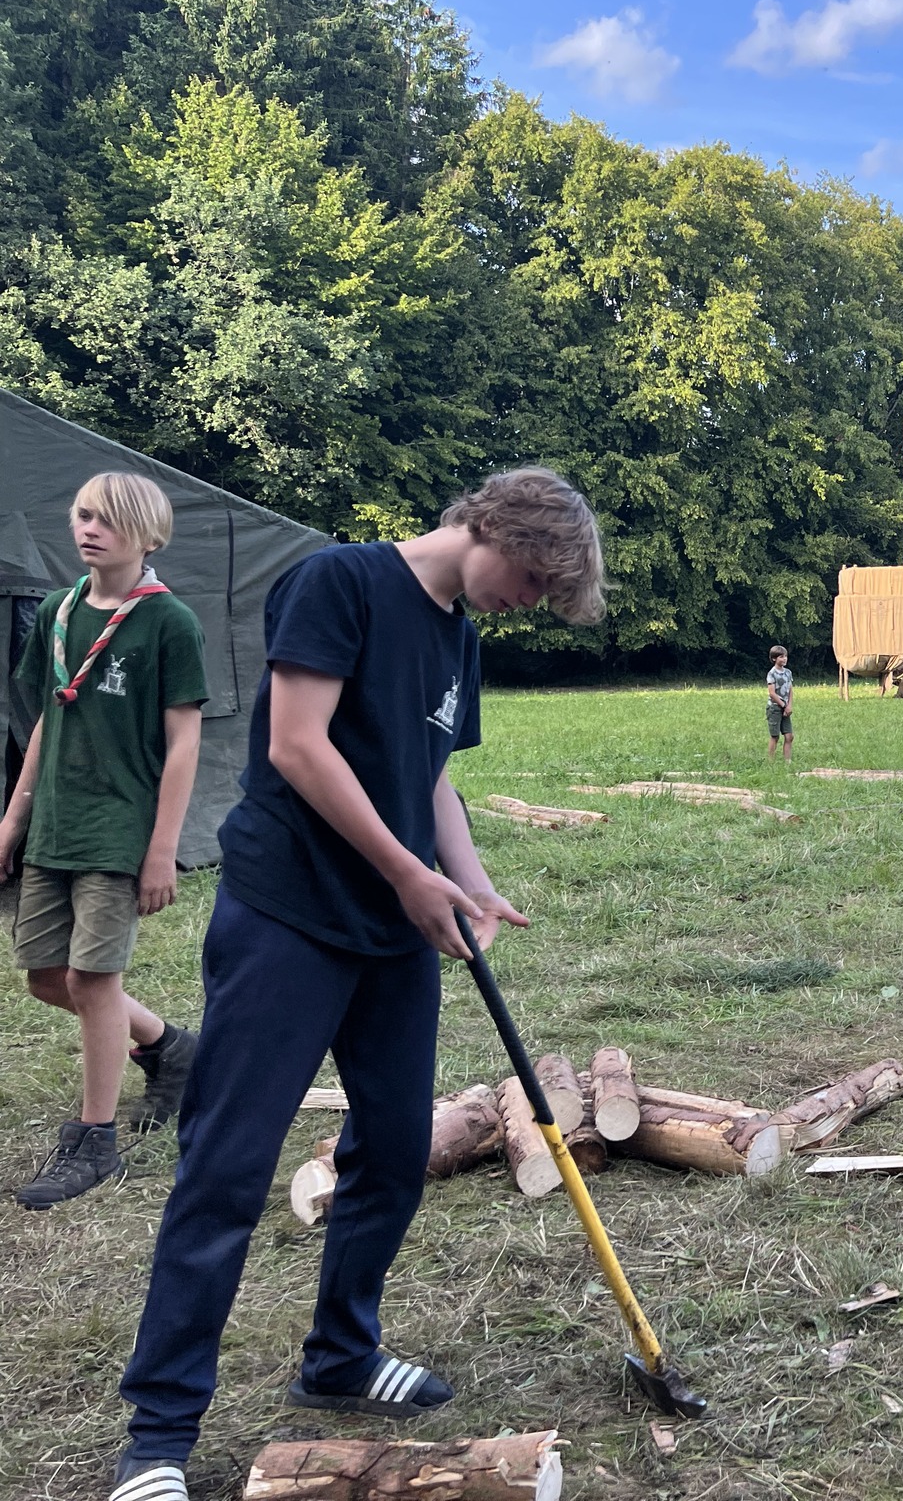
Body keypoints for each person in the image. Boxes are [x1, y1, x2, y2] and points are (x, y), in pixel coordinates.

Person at [110, 468, 606, 1501]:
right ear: (495, 529)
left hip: (394, 936)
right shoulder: (339, 581)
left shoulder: (458, 636)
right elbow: (297, 747)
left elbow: (432, 776)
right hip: (289, 914)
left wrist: (469, 882)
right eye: (531, 580)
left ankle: (339, 1356)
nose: (526, 603)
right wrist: (408, 873)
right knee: (227, 1167)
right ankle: (157, 1435)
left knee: (389, 1153)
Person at [0, 472, 207, 1209]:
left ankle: (95, 1140)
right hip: (56, 824)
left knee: (93, 981)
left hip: (119, 830)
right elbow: (49, 720)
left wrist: (162, 848)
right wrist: (14, 818)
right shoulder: (56, 612)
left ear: (148, 537)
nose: (90, 529)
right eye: (84, 515)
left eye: (110, 520)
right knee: (45, 977)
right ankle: (172, 1048)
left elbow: (185, 742)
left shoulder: (168, 621)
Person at [765, 646, 794, 761]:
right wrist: (783, 706)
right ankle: (770, 761)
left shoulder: (788, 673)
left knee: (789, 736)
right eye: (781, 657)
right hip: (775, 708)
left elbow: (790, 689)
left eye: (785, 656)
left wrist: (789, 705)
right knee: (775, 736)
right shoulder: (772, 674)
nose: (784, 659)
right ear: (774, 659)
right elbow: (772, 693)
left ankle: (787, 761)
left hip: (786, 708)